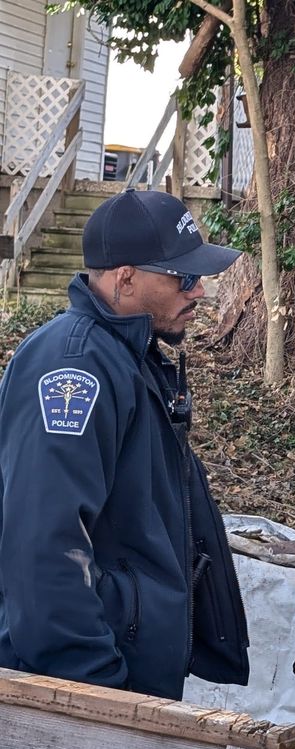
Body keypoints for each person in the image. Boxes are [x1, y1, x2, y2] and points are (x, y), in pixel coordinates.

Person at [0, 188, 250, 700]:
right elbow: (45, 551)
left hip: (121, 682)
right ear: (126, 277)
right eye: (182, 276)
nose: (199, 290)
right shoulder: (75, 370)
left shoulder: (128, 359)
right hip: (83, 692)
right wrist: (97, 691)